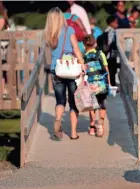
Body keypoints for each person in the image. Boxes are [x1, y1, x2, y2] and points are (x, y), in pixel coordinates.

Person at [44, 7, 85, 140]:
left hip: (57, 70)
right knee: (73, 103)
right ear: (62, 18)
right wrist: (82, 64)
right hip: (71, 70)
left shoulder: (49, 34)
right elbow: (76, 49)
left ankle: (57, 119)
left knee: (60, 101)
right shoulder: (69, 30)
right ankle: (73, 133)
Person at [83, 34, 111, 137]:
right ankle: (101, 123)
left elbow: (82, 72)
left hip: (90, 85)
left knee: (92, 106)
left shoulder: (83, 56)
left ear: (84, 45)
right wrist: (109, 83)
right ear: (94, 43)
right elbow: (106, 69)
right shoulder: (100, 54)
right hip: (102, 84)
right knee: (102, 104)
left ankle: (92, 127)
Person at [105, 16, 119, 87]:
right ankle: (112, 86)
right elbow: (110, 43)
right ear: (111, 23)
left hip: (111, 54)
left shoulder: (110, 30)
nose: (117, 24)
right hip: (110, 55)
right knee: (111, 72)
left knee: (112, 71)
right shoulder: (110, 31)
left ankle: (112, 85)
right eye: (116, 22)